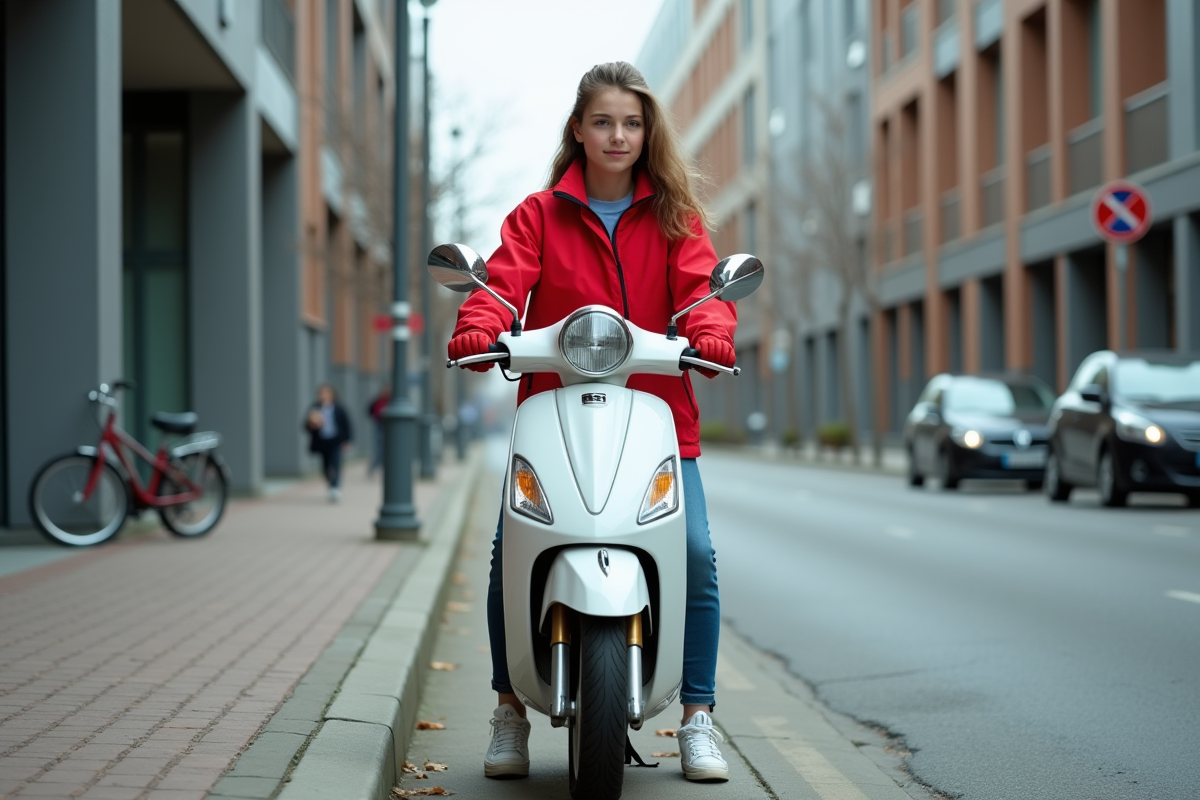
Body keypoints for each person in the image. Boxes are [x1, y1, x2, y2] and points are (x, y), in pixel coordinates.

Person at [448, 62, 739, 783]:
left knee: (696, 554)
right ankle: (509, 710)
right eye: (604, 121)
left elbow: (702, 291)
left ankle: (697, 718)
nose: (618, 135)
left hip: (659, 418)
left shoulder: (676, 219)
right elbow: (503, 282)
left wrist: (711, 328)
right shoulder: (538, 216)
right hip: (555, 417)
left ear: (648, 134)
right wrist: (479, 324)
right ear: (578, 128)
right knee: (508, 552)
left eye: (632, 123)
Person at [304, 384, 352, 502]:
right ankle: (331, 484)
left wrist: (347, 441)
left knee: (335, 464)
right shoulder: (315, 408)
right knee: (325, 466)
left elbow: (347, 425)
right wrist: (313, 424)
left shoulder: (339, 408)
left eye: (326, 393)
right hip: (322, 441)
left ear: (332, 394)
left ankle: (335, 488)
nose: (324, 395)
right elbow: (306, 426)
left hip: (336, 440)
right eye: (322, 393)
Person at [367, 386, 391, 476]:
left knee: (385, 446)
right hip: (379, 424)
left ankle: (380, 464)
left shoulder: (391, 401)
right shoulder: (378, 400)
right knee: (379, 445)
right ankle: (376, 464)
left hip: (389, 425)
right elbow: (370, 409)